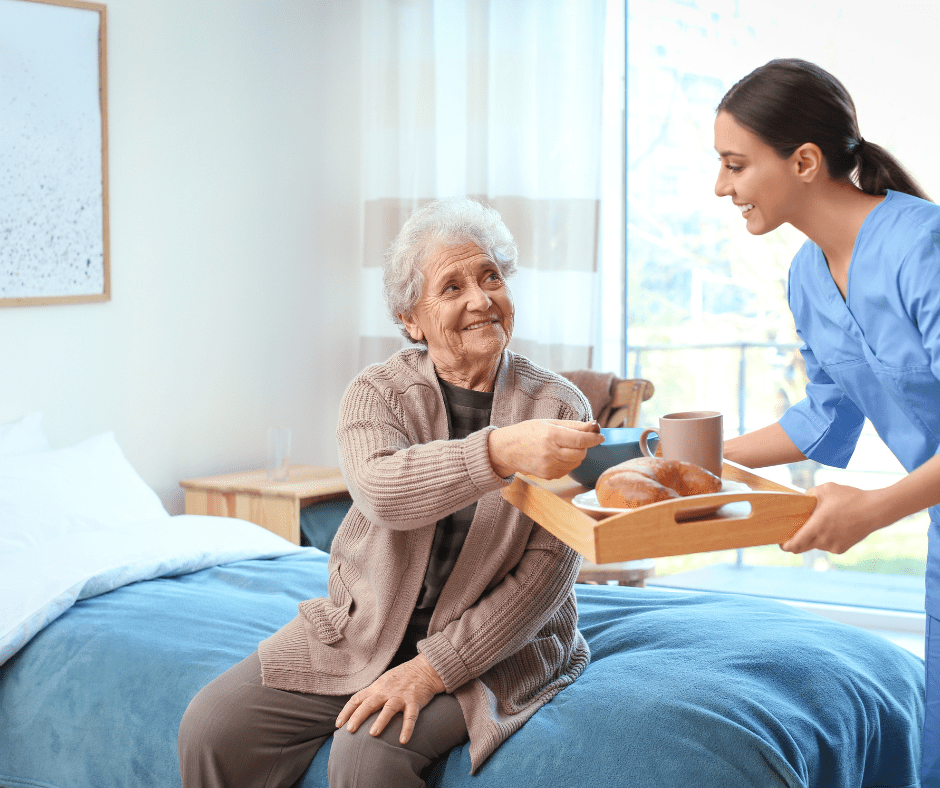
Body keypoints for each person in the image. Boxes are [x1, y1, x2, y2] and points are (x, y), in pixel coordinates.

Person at [178, 197, 604, 788]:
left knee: (368, 752)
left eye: (491, 278)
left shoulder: (557, 408)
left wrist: (433, 668)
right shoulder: (376, 394)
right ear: (411, 320)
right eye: (452, 288)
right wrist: (499, 451)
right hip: (366, 629)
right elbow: (383, 491)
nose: (481, 299)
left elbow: (545, 575)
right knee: (212, 726)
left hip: (498, 645)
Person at [713, 58, 940, 785]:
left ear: (804, 161)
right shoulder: (807, 276)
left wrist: (873, 510)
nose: (722, 187)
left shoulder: (921, 246)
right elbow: (820, 422)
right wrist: (676, 454)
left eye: (736, 165)